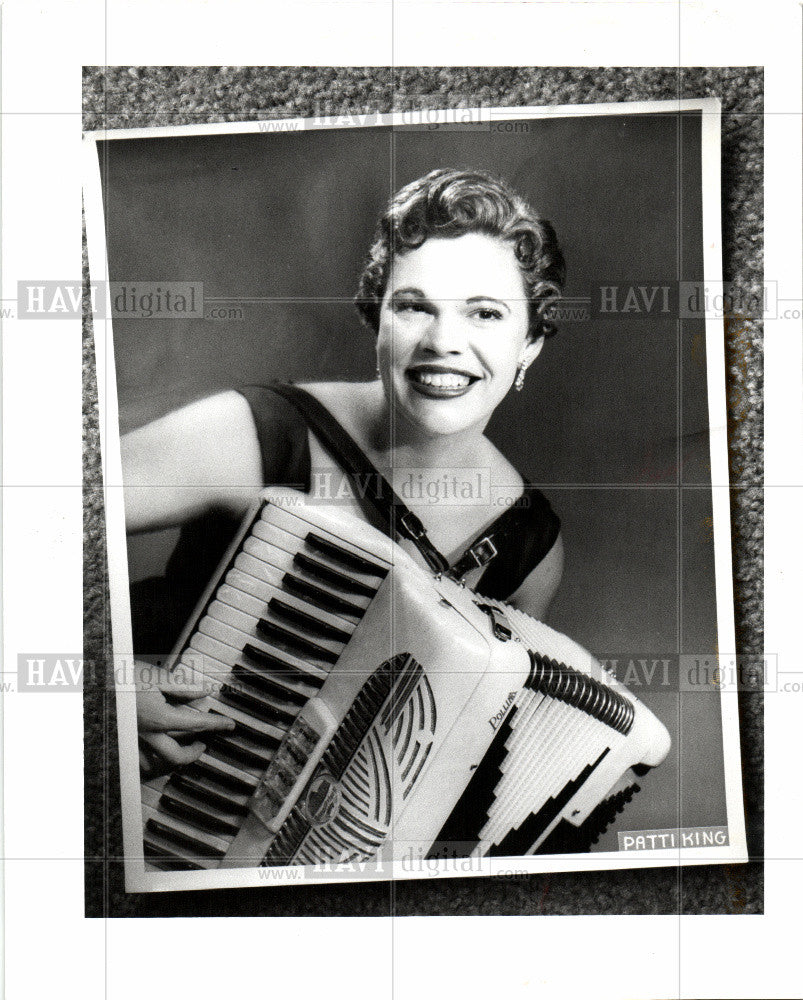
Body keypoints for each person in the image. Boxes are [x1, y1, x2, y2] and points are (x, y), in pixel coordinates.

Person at [124, 167, 566, 772]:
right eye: (414, 307)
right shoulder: (257, 434)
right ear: (377, 319)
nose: (444, 342)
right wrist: (100, 686)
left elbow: (462, 745)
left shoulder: (529, 545)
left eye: (485, 314)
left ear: (531, 344)